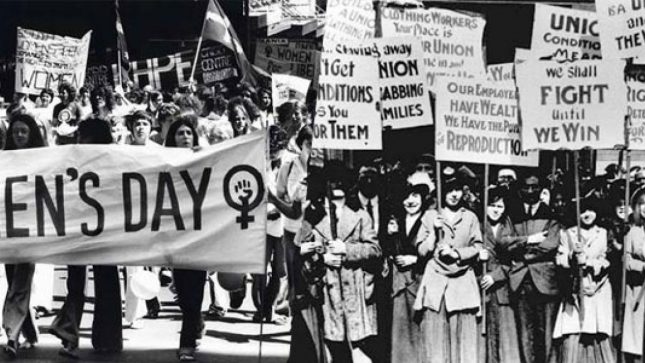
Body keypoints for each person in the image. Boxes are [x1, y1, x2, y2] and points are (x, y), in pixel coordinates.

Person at [49, 118, 123, 359]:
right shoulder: (72, 158)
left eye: (84, 137)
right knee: (89, 282)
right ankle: (91, 337)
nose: (80, 141)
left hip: (99, 228)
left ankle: (86, 336)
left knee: (93, 282)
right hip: (85, 228)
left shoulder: (113, 159)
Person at [302, 172, 382, 362]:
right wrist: (323, 258)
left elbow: (375, 250)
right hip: (328, 292)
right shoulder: (314, 217)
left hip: (355, 290)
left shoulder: (361, 216)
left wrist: (346, 249)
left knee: (359, 346)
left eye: (340, 193)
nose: (335, 200)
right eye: (331, 193)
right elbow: (302, 251)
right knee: (332, 344)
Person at [414, 173, 482, 363]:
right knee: (436, 338)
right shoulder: (430, 215)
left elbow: (478, 247)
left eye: (458, 190)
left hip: (462, 282)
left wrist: (457, 254)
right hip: (436, 282)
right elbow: (421, 251)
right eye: (450, 190)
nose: (454, 194)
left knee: (463, 338)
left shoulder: (470, 217)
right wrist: (433, 234)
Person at [505, 171, 561, 363]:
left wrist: (523, 253)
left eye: (534, 187)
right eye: (526, 187)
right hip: (522, 281)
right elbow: (506, 243)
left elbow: (550, 245)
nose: (530, 191)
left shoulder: (551, 213)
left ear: (541, 189)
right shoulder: (513, 214)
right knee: (524, 331)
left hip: (545, 281)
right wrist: (528, 240)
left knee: (546, 332)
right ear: (520, 190)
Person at [2, 114, 45, 358]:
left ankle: (11, 334)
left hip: (32, 229)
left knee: (20, 282)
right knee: (14, 281)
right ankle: (29, 331)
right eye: (15, 131)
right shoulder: (4, 160)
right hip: (10, 230)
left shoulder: (43, 160)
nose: (18, 136)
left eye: (23, 132)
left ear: (31, 135)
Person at [164, 115, 206, 362]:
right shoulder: (163, 160)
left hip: (200, 233)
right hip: (176, 234)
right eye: (180, 133)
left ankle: (186, 343)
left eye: (189, 133)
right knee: (183, 291)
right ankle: (196, 322)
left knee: (195, 291)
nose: (185, 137)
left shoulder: (202, 158)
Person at [552, 198, 614, 363]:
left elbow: (608, 261)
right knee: (573, 331)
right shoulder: (568, 233)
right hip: (575, 290)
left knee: (598, 331)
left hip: (598, 288)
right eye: (583, 211)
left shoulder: (604, 233)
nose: (586, 215)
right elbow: (560, 259)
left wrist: (588, 262)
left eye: (590, 210)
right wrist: (572, 256)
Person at [384, 172, 436, 363]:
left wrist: (415, 260)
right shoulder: (395, 220)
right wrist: (392, 236)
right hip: (400, 286)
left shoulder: (430, 219)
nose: (410, 201)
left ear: (423, 198)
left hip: (421, 282)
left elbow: (436, 250)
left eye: (415, 196)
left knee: (421, 333)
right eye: (406, 196)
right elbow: (388, 252)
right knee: (400, 334)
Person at [480, 186, 521, 363]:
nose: (496, 210)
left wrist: (495, 276)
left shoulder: (510, 228)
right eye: (492, 205)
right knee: (485, 336)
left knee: (506, 337)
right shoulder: (479, 226)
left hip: (503, 288)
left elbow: (515, 260)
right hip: (482, 287)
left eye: (500, 206)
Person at [622, 186, 645, 362]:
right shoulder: (633, 231)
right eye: (642, 204)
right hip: (638, 289)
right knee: (638, 332)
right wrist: (641, 266)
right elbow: (626, 259)